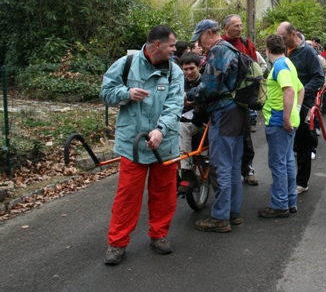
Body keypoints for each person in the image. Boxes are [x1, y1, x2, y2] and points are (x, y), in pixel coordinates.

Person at [100, 25, 184, 266]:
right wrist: (126, 93)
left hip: (164, 144)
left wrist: (161, 130)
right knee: (127, 195)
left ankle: (159, 235)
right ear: (157, 44)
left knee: (164, 192)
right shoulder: (126, 63)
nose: (174, 49)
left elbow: (175, 105)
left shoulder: (174, 72)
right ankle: (117, 243)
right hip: (133, 144)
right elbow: (105, 92)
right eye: (171, 45)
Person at [186, 19, 246, 233]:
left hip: (224, 113)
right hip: (239, 111)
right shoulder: (232, 49)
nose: (199, 44)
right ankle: (233, 212)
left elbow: (209, 87)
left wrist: (189, 95)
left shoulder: (218, 51)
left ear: (210, 33)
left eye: (200, 38)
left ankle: (220, 218)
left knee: (220, 165)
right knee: (233, 166)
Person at [259, 34, 305, 218]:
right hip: (287, 119)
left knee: (278, 163)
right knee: (286, 162)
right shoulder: (288, 63)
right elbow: (301, 89)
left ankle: (279, 204)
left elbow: (290, 90)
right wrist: (296, 109)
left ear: (267, 50)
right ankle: (289, 200)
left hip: (279, 121)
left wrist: (286, 118)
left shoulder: (279, 66)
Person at [276, 22, 324, 194]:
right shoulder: (283, 52)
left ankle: (302, 182)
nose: (281, 41)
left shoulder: (309, 53)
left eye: (284, 38)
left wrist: (300, 93)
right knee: (287, 143)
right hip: (284, 102)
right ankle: (287, 181)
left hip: (303, 104)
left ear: (294, 34)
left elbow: (318, 78)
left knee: (303, 144)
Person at [221, 14, 259, 185]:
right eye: (235, 26)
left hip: (244, 98)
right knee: (226, 137)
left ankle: (247, 169)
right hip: (224, 98)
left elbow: (255, 67)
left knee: (245, 136)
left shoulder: (246, 44)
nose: (239, 29)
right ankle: (225, 171)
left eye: (240, 25)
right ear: (226, 27)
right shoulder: (220, 44)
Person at [177, 52, 209, 194]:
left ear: (199, 66)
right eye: (185, 69)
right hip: (183, 122)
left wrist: (193, 102)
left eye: (192, 68)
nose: (189, 72)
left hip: (202, 125)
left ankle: (187, 172)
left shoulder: (205, 83)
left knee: (182, 127)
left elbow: (203, 107)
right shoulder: (179, 83)